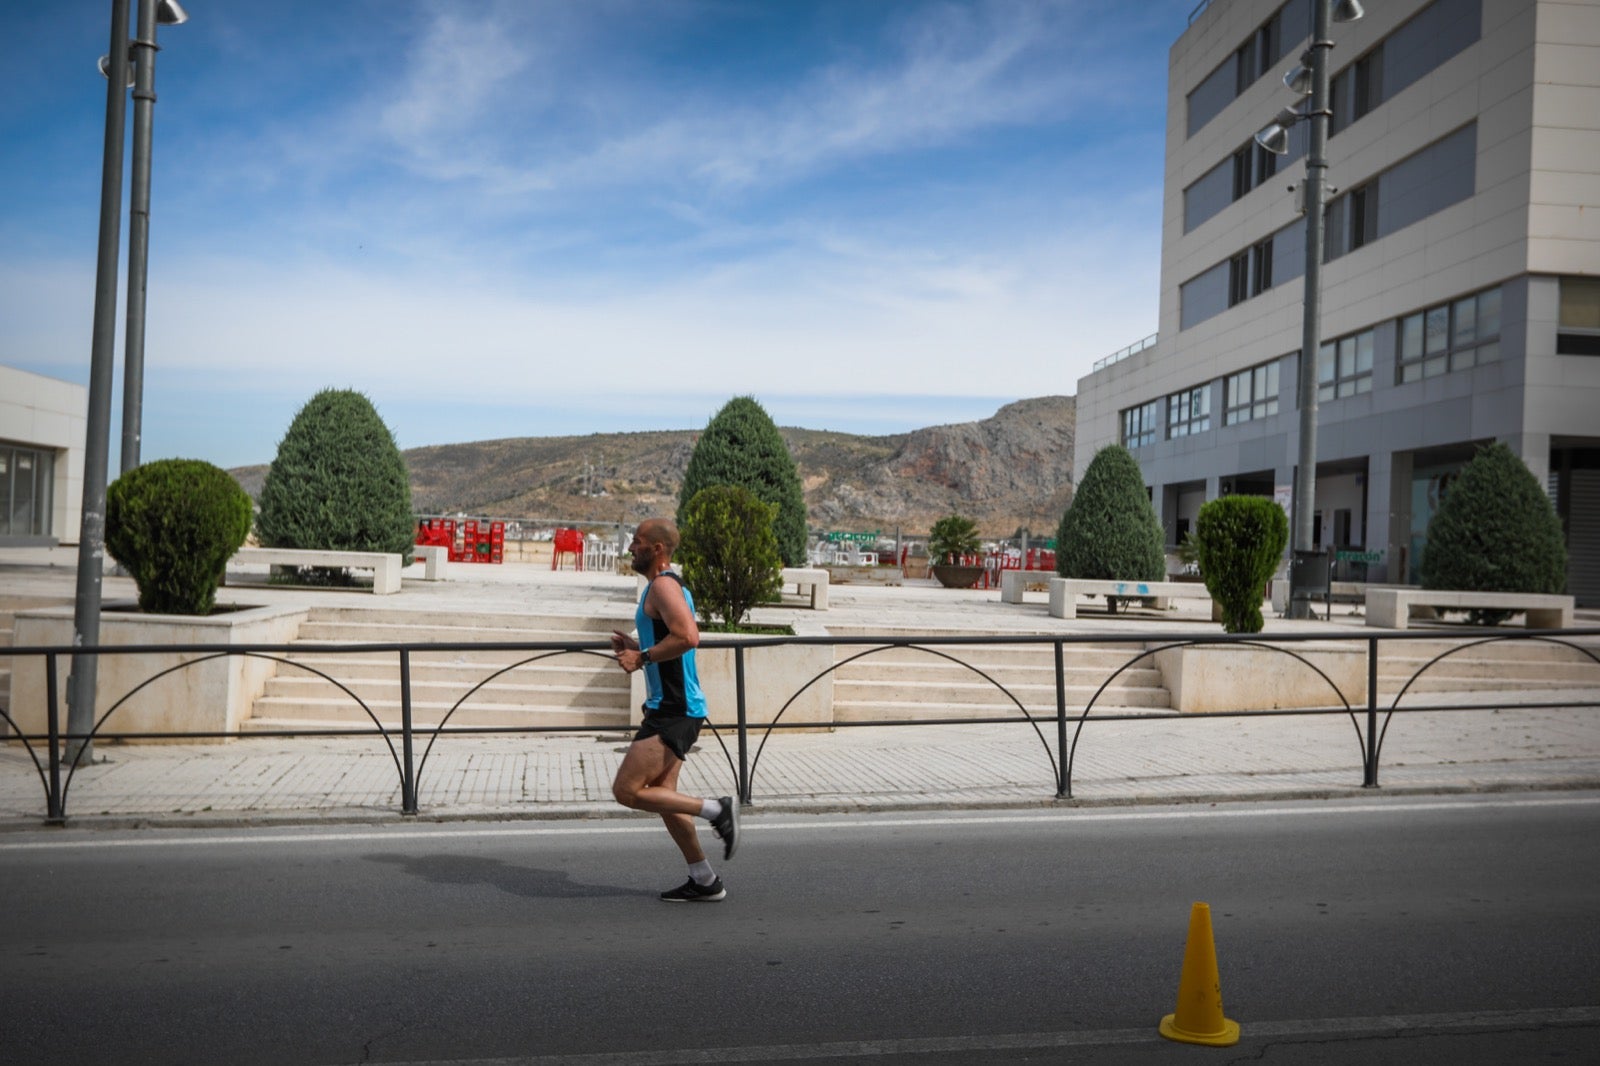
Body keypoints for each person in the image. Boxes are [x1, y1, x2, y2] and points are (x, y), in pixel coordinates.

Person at [610, 517, 739, 902]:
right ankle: (704, 880)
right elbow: (669, 633)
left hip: (674, 708)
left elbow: (688, 637)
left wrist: (643, 657)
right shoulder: (665, 585)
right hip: (674, 706)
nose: (631, 548)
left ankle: (717, 810)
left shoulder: (663, 585)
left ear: (657, 549)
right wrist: (634, 645)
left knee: (627, 790)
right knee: (665, 796)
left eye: (637, 542)